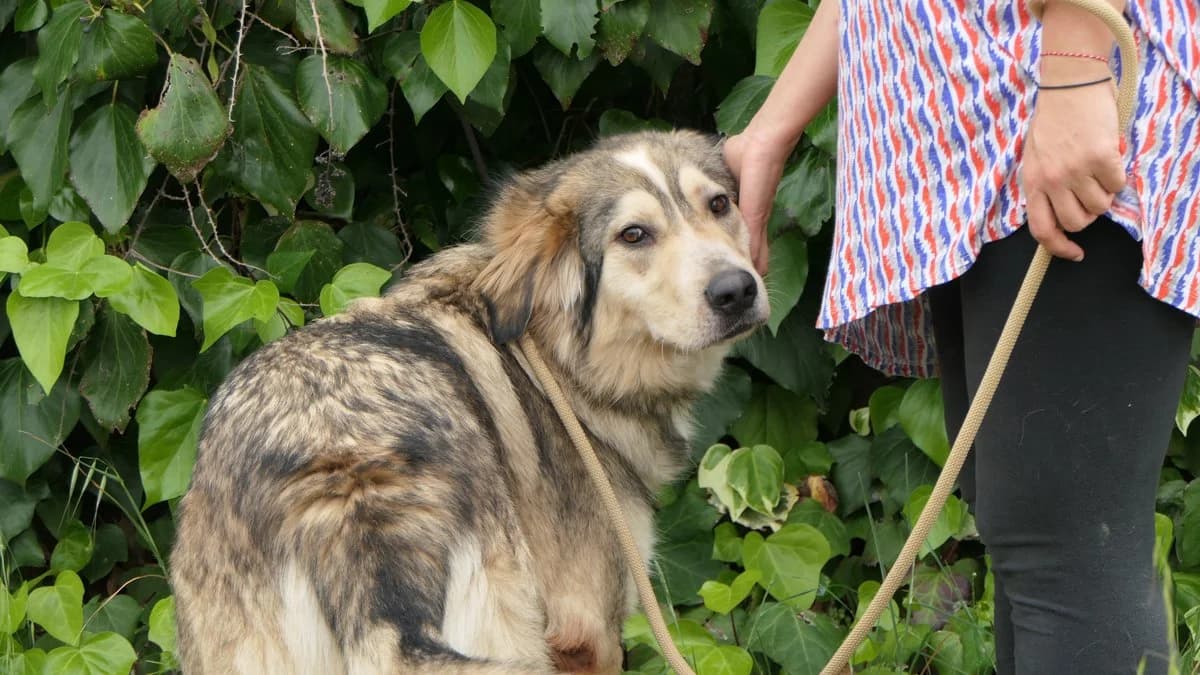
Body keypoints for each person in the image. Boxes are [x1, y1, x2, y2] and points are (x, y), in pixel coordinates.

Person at [724, 0, 1200, 673]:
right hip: (956, 107)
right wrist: (772, 128)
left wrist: (1076, 51)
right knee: (1027, 542)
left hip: (1040, 87)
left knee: (1066, 548)